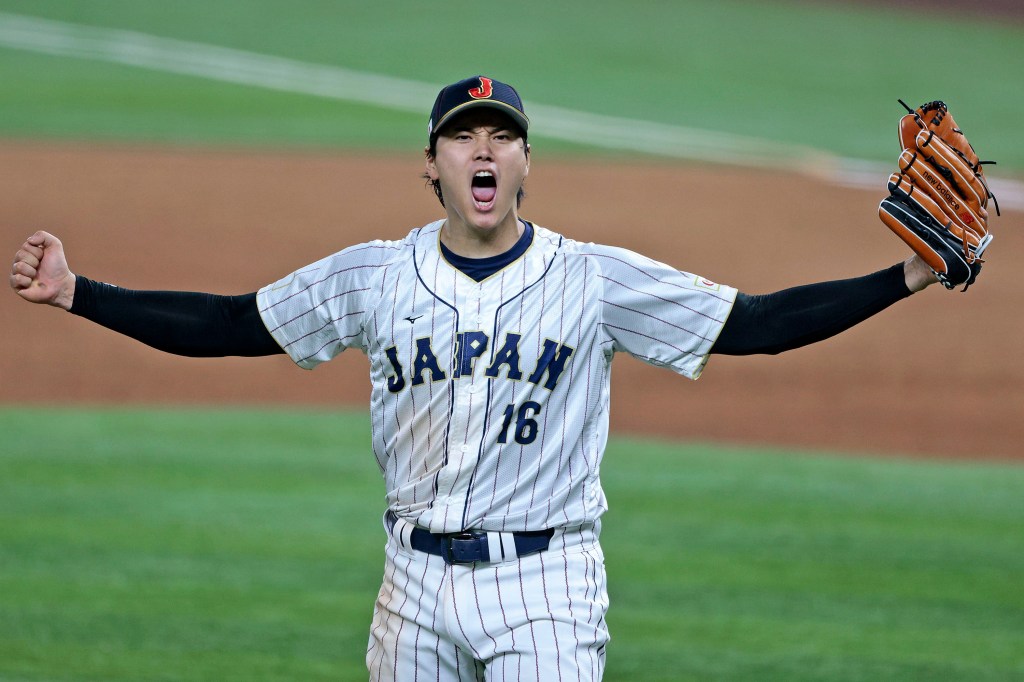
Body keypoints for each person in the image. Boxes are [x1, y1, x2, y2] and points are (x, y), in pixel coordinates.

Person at [10, 75, 940, 681]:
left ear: (528, 161)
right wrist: (78, 292)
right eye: (463, 137)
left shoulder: (593, 277)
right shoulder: (372, 276)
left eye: (502, 135)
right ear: (433, 165)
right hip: (410, 585)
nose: (484, 149)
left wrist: (909, 275)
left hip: (546, 585)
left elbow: (762, 324)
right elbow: (226, 324)